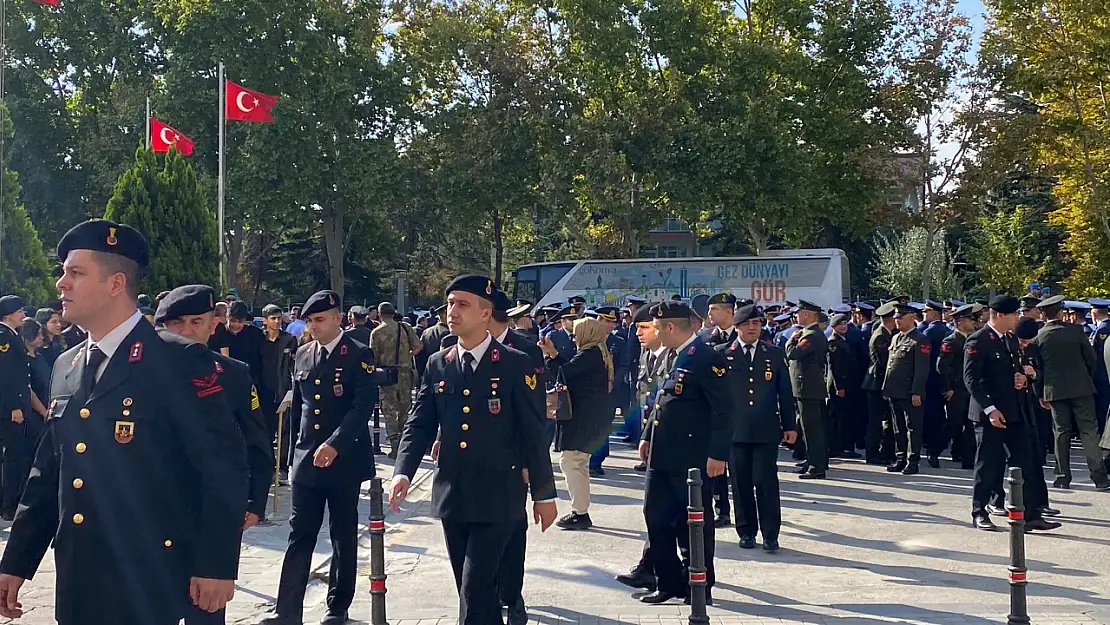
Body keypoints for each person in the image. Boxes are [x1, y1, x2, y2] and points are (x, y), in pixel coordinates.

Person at [0, 220, 247, 624]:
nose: (61, 283)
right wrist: (16, 561)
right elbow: (49, 472)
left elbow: (221, 467)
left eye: (75, 272)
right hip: (80, 580)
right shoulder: (67, 364)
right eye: (63, 272)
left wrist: (216, 565)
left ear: (116, 284)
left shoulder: (179, 360)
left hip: (148, 579)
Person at [389, 275, 557, 625]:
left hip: (498, 495)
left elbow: (532, 430)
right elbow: (420, 423)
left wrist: (543, 492)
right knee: (471, 591)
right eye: (450, 303)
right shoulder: (439, 362)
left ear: (485, 314)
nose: (452, 311)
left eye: (463, 304)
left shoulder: (514, 363)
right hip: (453, 493)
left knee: (476, 588)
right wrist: (402, 471)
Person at [155, 285, 277, 624]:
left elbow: (256, 442)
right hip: (152, 516)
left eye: (197, 321)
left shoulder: (231, 374)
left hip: (208, 515)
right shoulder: (141, 373)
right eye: (177, 322)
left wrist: (255, 501)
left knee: (205, 612)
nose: (187, 331)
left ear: (213, 325)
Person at [261, 290, 380, 625]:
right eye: (310, 320)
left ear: (338, 319)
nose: (313, 327)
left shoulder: (359, 354)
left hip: (343, 460)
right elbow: (299, 407)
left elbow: (361, 407)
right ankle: (287, 610)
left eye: (320, 320)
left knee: (343, 532)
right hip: (307, 458)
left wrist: (336, 443)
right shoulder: (303, 354)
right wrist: (291, 455)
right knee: (300, 532)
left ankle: (337, 605)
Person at [636, 300, 731, 604]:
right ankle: (668, 583)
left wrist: (718, 454)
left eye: (656, 327)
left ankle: (699, 588)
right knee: (655, 518)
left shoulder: (705, 357)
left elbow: (724, 411)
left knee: (693, 525)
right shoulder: (673, 356)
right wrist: (647, 435)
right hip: (662, 455)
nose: (653, 333)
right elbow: (662, 401)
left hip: (691, 458)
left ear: (671, 327)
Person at [964, 295, 1061, 532]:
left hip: (1013, 411)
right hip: (990, 414)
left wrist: (1021, 378)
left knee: (1026, 462)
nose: (1017, 319)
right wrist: (990, 409)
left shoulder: (1009, 340)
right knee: (987, 464)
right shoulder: (978, 341)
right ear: (999, 315)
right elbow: (972, 380)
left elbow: (1015, 369)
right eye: (1013, 315)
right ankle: (979, 511)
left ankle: (1029, 514)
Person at [718, 305, 795, 552]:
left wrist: (790, 425)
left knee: (766, 482)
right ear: (738, 327)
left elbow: (784, 393)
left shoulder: (773, 353)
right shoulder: (723, 354)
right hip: (735, 430)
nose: (753, 329)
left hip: (766, 429)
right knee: (740, 484)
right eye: (748, 324)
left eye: (757, 324)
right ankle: (746, 531)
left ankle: (771, 534)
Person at [540, 317, 613, 531]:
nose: (573, 337)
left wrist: (552, 354)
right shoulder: (597, 352)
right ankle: (580, 510)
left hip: (583, 419)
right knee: (577, 463)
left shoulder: (589, 354)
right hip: (589, 418)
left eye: (576, 332)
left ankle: (580, 512)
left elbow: (565, 374)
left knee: (571, 462)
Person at [614, 303, 666, 592]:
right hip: (655, 438)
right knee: (655, 510)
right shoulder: (650, 355)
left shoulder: (673, 357)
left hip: (673, 446)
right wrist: (645, 435)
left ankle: (658, 569)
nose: (637, 333)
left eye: (643, 327)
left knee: (666, 512)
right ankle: (651, 566)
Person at [1034, 295, 1110, 490]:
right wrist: (1085, 377)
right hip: (1082, 388)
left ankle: (1062, 476)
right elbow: (1091, 359)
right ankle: (1099, 477)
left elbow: (1037, 368)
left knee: (1061, 433)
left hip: (1054, 390)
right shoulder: (1076, 332)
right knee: (1089, 432)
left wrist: (1041, 393)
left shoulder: (1040, 336)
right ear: (1060, 312)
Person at [882, 304, 930, 475]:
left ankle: (913, 460)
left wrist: (916, 391)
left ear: (911, 317)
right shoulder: (896, 338)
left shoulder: (920, 340)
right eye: (896, 318)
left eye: (900, 318)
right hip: (894, 391)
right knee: (898, 427)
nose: (897, 321)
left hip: (910, 393)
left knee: (913, 428)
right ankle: (900, 457)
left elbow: (921, 369)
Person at [370, 302, 422, 457]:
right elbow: (419, 346)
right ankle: (405, 443)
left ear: (379, 314)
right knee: (405, 408)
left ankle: (394, 446)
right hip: (406, 373)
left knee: (389, 410)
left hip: (387, 375)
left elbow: (372, 357)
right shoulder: (405, 327)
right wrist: (408, 355)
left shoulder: (377, 332)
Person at [785, 300, 829, 480]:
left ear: (807, 315)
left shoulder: (812, 335)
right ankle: (811, 460)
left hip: (808, 388)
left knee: (812, 429)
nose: (796, 315)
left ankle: (816, 466)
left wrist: (791, 340)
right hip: (805, 387)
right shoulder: (809, 333)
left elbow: (792, 353)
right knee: (806, 427)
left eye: (799, 312)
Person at [0, 298, 35, 521]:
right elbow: (6, 374)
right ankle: (8, 504)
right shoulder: (3, 337)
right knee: (12, 457)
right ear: (8, 314)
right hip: (10, 408)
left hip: (15, 404)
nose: (23, 314)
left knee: (17, 455)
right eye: (19, 311)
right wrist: (14, 405)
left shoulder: (11, 335)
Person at [260, 304, 298, 484]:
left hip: (282, 390)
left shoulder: (289, 340)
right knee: (265, 431)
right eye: (272, 318)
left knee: (284, 431)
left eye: (278, 318)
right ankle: (267, 467)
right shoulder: (258, 339)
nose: (276, 321)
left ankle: (281, 467)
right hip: (262, 392)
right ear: (265, 320)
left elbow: (293, 365)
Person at [937, 304, 977, 469]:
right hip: (956, 389)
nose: (973, 322)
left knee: (969, 425)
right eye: (970, 319)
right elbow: (942, 367)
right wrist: (947, 388)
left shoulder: (971, 338)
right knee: (953, 423)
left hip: (969, 389)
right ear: (960, 322)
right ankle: (934, 450)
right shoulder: (951, 340)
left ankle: (967, 459)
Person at [588, 307, 626, 478]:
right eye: (606, 321)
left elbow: (624, 365)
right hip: (590, 390)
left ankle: (597, 461)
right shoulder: (590, 340)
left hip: (609, 391)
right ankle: (591, 460)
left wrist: (613, 382)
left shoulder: (618, 342)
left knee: (604, 425)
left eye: (612, 322)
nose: (609, 325)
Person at [826, 313, 862, 460]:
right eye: (840, 324)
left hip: (847, 384)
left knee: (844, 416)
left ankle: (841, 445)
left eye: (845, 324)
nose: (843, 326)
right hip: (839, 386)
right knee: (841, 418)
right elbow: (834, 367)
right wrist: (839, 387)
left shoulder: (842, 340)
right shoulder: (833, 342)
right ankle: (842, 446)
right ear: (834, 327)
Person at [226, 301, 265, 390]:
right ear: (227, 317)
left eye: (240, 322)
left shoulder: (255, 334)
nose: (236, 325)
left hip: (251, 382)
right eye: (233, 321)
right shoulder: (220, 334)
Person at [1089, 298, 1110, 433]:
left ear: (1094, 314)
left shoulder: (1101, 331)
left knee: (1103, 408)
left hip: (1102, 375)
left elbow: (1094, 356)